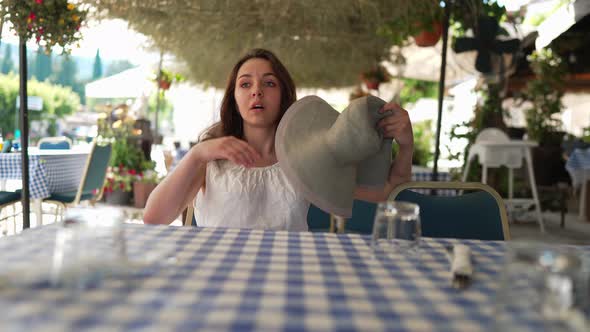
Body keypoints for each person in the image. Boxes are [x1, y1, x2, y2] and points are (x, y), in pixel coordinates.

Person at [143, 49, 413, 229]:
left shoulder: (309, 154)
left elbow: (388, 191)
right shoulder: (209, 157)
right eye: (245, 84)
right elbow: (153, 219)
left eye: (269, 83)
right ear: (234, 98)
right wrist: (198, 153)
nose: (257, 92)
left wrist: (406, 145)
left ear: (284, 95)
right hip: (218, 278)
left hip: (288, 280)